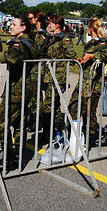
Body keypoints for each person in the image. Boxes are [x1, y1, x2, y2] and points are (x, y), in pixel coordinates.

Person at [0, 15, 37, 171]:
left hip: (17, 89)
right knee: (19, 123)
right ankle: (18, 157)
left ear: (23, 28)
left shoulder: (20, 43)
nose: (10, 27)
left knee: (1, 123)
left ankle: (9, 158)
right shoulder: (30, 42)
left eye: (14, 24)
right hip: (25, 87)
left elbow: (13, 57)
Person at [68, 17, 107, 144]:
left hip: (93, 84)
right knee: (74, 107)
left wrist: (91, 56)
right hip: (84, 81)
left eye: (88, 28)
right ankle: (74, 135)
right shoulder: (90, 43)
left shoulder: (101, 42)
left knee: (89, 113)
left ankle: (90, 137)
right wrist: (82, 60)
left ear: (91, 29)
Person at [41, 15, 76, 144]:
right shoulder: (52, 39)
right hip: (49, 76)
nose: (48, 25)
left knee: (48, 105)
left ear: (57, 25)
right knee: (54, 106)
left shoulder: (64, 39)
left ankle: (48, 133)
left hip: (57, 77)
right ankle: (56, 132)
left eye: (50, 23)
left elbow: (71, 55)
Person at [26, 10, 49, 132]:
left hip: (38, 69)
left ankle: (38, 121)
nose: (30, 21)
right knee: (31, 96)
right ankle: (31, 119)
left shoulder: (42, 34)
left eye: (31, 19)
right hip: (32, 68)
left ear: (37, 19)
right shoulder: (35, 32)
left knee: (37, 97)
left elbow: (35, 49)